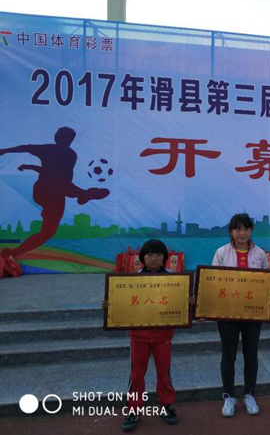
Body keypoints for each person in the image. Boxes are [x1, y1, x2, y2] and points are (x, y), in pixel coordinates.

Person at [104, 239, 181, 432]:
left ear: (165, 257)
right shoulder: (132, 280)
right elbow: (122, 304)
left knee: (164, 373)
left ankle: (166, 405)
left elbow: (179, 304)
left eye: (158, 254)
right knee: (137, 374)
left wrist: (188, 302)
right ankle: (133, 409)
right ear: (142, 258)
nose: (154, 258)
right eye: (150, 255)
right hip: (139, 336)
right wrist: (109, 305)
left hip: (163, 336)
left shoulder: (175, 280)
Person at [0, 127, 109, 258]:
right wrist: (10, 154)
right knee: (62, 190)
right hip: (50, 191)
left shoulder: (53, 150)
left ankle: (82, 193)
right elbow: (51, 171)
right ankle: (82, 193)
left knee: (48, 232)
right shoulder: (69, 154)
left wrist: (7, 152)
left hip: (49, 191)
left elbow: (46, 168)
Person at [212, 213, 270, 417]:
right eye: (237, 229)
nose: (241, 233)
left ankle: (249, 394)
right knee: (228, 356)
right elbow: (213, 281)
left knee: (251, 354)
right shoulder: (221, 253)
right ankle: (229, 396)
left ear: (251, 231)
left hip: (252, 314)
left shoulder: (260, 254)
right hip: (227, 314)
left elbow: (266, 284)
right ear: (231, 231)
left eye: (246, 228)